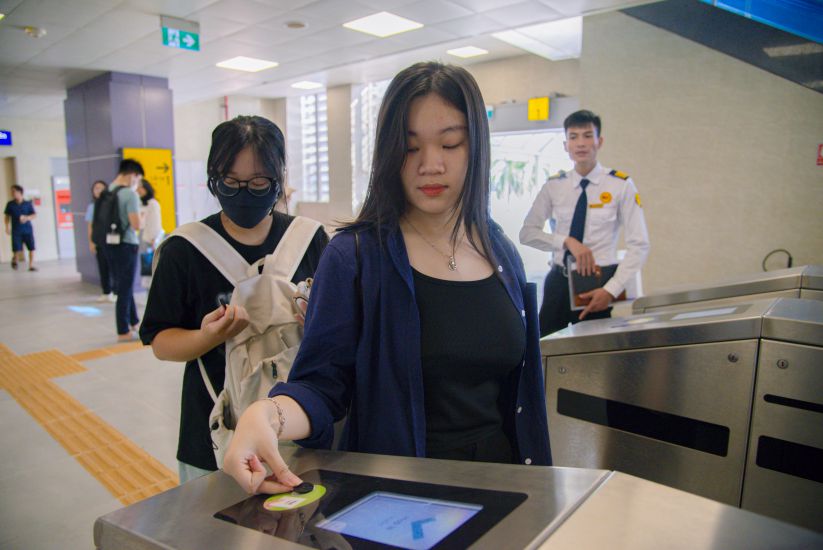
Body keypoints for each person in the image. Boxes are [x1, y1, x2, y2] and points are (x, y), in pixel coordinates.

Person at [223, 62, 552, 496]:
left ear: (476, 148)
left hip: (506, 489)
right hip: (402, 499)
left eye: (450, 143)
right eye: (410, 147)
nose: (430, 165)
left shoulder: (499, 249)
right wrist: (266, 415)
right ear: (388, 153)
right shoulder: (356, 258)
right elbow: (320, 386)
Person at [139, 115, 328, 483]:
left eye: (258, 182)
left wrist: (315, 324)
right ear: (214, 179)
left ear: (279, 180)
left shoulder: (312, 240)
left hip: (299, 426)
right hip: (213, 434)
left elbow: (340, 332)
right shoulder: (185, 250)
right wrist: (208, 336)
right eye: (230, 182)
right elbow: (161, 342)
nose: (244, 193)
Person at [519, 109, 650, 337]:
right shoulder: (554, 186)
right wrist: (567, 242)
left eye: (588, 135)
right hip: (558, 282)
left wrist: (611, 291)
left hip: (598, 283)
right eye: (573, 137)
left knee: (594, 353)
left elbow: (639, 245)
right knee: (543, 349)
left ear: (599, 141)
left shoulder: (620, 185)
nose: (580, 143)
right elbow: (527, 233)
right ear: (565, 145)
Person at [104, 159, 143, 342]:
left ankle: (134, 321)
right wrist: (141, 216)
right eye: (138, 178)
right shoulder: (129, 194)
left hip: (110, 244)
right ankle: (123, 330)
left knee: (123, 284)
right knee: (125, 288)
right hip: (127, 243)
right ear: (132, 175)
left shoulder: (108, 190)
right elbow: (136, 224)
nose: (138, 183)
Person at [85, 180, 116, 301]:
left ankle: (115, 292)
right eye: (95, 188)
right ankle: (106, 292)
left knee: (114, 267)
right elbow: (90, 225)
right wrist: (91, 242)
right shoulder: (92, 206)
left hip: (111, 240)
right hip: (99, 241)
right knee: (102, 267)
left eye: (101, 188)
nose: (98, 190)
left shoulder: (111, 204)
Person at [4, 184, 37, 271]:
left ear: (20, 192)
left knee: (31, 248)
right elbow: (7, 216)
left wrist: (27, 218)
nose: (12, 193)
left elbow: (34, 214)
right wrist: (7, 227)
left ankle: (31, 265)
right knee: (17, 249)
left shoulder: (27, 204)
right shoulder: (10, 204)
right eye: (12, 191)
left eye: (14, 191)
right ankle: (15, 258)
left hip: (27, 229)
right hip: (16, 230)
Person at [137, 179, 163, 285]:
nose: (139, 189)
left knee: (153, 266)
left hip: (151, 239)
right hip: (143, 238)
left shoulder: (152, 203)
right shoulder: (140, 204)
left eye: (141, 187)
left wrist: (154, 239)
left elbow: (155, 222)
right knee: (146, 268)